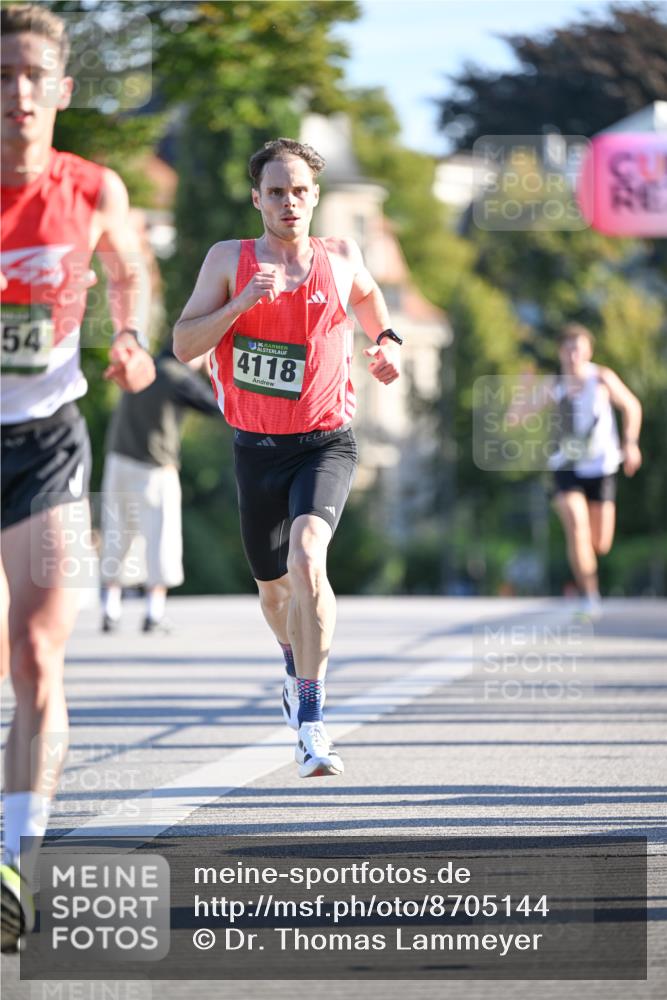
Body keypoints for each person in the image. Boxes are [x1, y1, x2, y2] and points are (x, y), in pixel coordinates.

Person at [173, 137, 401, 778]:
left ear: (316, 196)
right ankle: (291, 665)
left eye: (299, 190)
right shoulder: (228, 260)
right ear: (257, 199)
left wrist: (387, 342)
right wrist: (241, 302)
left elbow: (369, 300)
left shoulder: (341, 255)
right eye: (276, 192)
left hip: (326, 441)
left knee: (308, 557)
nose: (289, 202)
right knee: (276, 593)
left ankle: (313, 721)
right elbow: (185, 344)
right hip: (256, 450)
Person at [1, 5, 154, 953]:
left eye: (30, 76)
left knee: (38, 656)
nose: (14, 94)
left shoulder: (94, 189)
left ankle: (14, 862)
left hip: (49, 442)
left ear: (59, 91)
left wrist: (129, 335)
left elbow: (130, 270)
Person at [100, 341, 219, 633]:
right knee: (161, 539)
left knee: (117, 533)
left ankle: (111, 608)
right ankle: (154, 612)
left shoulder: (145, 366)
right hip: (155, 468)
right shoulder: (176, 375)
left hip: (117, 460)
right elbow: (217, 406)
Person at [549, 323, 642, 618]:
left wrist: (630, 443)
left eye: (579, 347)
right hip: (566, 466)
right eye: (568, 347)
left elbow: (632, 406)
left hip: (601, 467)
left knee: (599, 543)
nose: (574, 353)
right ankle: (590, 596)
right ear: (560, 352)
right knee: (577, 526)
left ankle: (586, 568)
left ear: (588, 351)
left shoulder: (601, 377)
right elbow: (517, 416)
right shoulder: (553, 385)